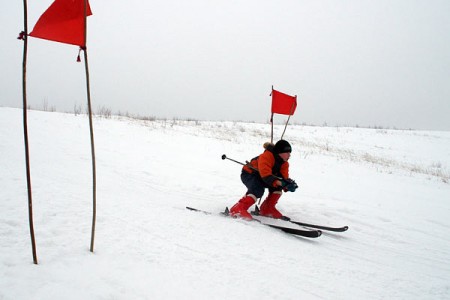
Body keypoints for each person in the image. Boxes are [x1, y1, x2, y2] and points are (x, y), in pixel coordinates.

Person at [229, 140, 297, 220]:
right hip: (250, 174)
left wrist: (287, 185)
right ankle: (238, 209)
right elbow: (266, 175)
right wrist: (282, 183)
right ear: (280, 152)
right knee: (257, 189)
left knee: (277, 188)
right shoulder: (266, 156)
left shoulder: (285, 163)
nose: (289, 155)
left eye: (290, 153)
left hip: (263, 177)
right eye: (287, 153)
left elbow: (283, 179)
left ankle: (267, 209)